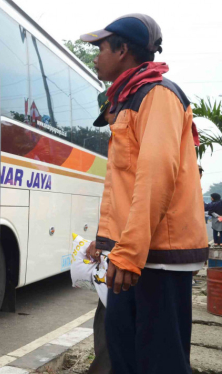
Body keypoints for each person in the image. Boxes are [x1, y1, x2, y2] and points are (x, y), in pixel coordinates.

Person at [81, 14, 208, 373]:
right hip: (136, 257)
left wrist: (129, 254)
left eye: (101, 47)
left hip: (156, 260)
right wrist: (106, 242)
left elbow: (155, 178)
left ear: (123, 50)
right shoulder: (128, 98)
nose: (95, 55)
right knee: (125, 358)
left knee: (159, 363)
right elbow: (126, 183)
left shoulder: (157, 95)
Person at [84, 90, 114, 374]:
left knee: (112, 325)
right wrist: (101, 240)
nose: (111, 124)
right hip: (118, 252)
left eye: (111, 116)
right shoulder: (119, 143)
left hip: (131, 257)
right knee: (105, 320)